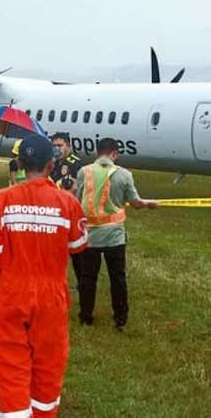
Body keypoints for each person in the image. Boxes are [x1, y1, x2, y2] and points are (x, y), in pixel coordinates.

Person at [0, 134, 87, 417]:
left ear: (21, 163)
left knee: (11, 365)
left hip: (11, 292)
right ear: (52, 165)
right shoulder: (67, 202)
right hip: (51, 296)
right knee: (48, 365)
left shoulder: (2, 200)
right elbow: (78, 245)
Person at [76, 137, 157, 331]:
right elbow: (135, 203)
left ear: (98, 152)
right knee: (117, 278)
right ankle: (120, 318)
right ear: (115, 154)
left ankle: (86, 316)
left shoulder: (83, 172)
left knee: (87, 278)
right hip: (114, 236)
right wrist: (149, 204)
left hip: (90, 236)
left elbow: (79, 200)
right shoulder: (124, 175)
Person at [50, 132, 85, 290]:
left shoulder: (75, 163)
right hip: (54, 211)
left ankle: (82, 282)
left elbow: (80, 187)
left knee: (76, 252)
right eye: (54, 145)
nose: (57, 148)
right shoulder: (52, 162)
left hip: (70, 211)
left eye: (60, 145)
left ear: (68, 146)